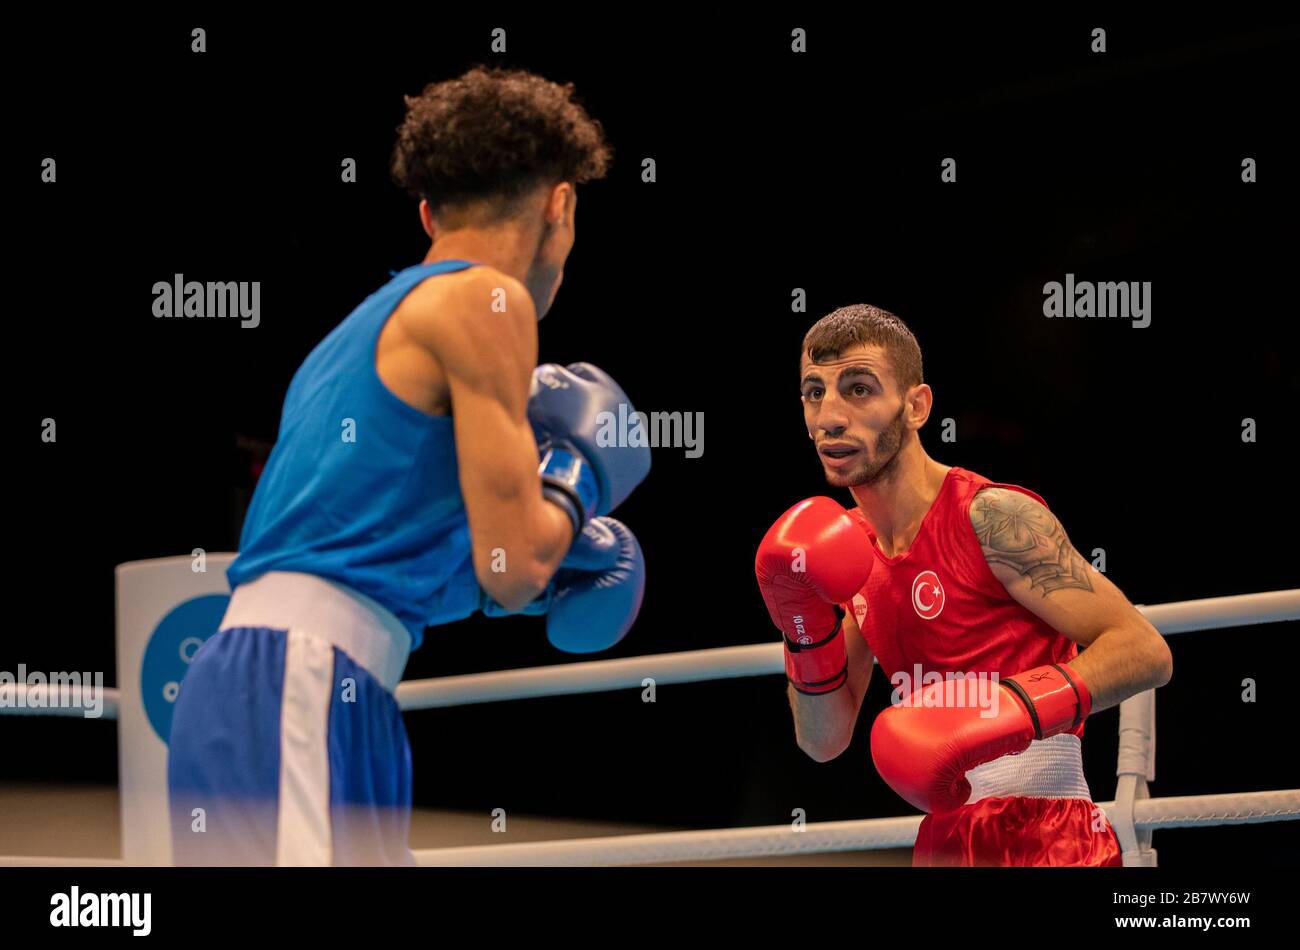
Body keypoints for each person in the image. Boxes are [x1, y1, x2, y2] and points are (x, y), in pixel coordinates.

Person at [168, 67, 649, 865]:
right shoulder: (486, 302)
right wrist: (578, 472)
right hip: (299, 685)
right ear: (560, 205)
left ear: (429, 212)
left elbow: (393, 555)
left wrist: (498, 582)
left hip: (305, 686)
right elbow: (515, 566)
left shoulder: (357, 336)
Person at [754, 303, 1172, 866]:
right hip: (944, 838)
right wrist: (801, 621)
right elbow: (823, 741)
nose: (828, 416)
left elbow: (1145, 650)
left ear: (917, 405)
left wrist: (1008, 710)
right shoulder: (847, 552)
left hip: (1050, 834)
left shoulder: (992, 517)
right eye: (813, 391)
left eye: (858, 389)